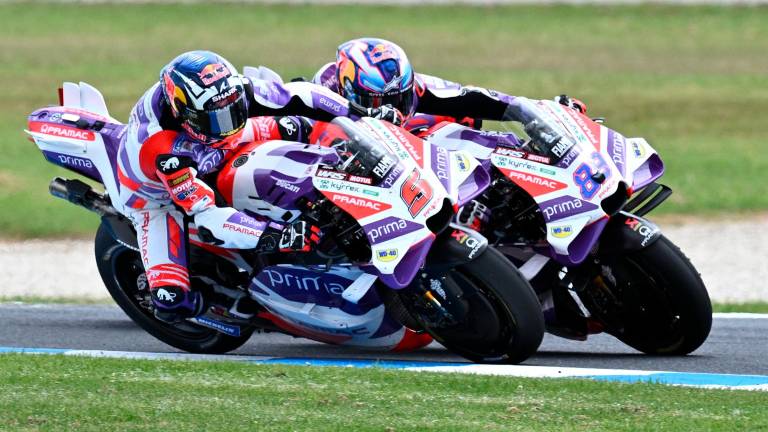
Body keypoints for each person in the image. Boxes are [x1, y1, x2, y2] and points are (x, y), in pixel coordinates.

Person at [117, 50, 397, 323]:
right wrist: (275, 235)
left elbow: (297, 94)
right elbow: (209, 218)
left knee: (297, 125)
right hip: (157, 198)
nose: (226, 123)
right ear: (184, 113)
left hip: (213, 146)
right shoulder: (163, 152)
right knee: (171, 302)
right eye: (215, 118)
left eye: (233, 110)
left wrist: (360, 114)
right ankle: (234, 303)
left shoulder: (223, 94)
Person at [312, 37, 587, 134]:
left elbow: (475, 97)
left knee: (459, 121)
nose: (394, 110)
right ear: (347, 90)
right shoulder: (322, 94)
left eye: (400, 100)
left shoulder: (417, 87)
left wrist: (544, 111)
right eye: (381, 103)